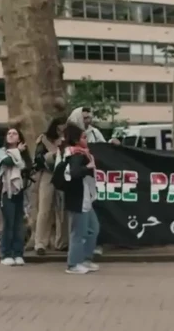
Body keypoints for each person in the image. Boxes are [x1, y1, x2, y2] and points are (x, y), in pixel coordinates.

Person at [66, 106, 118, 255]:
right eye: (84, 117)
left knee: (91, 223)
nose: (88, 120)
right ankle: (75, 257)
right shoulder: (72, 144)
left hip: (91, 183)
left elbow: (104, 148)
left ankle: (87, 252)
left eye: (89, 117)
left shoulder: (95, 132)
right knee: (78, 225)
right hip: (78, 187)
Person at [60, 122, 101, 275]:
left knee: (93, 228)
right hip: (78, 199)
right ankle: (73, 264)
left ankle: (85, 259)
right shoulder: (75, 154)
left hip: (86, 198)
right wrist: (88, 168)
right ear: (76, 139)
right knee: (78, 232)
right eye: (83, 137)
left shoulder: (82, 153)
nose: (86, 140)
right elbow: (75, 173)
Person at [0, 128, 31, 266]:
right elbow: (7, 162)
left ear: (19, 138)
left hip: (20, 191)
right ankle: (6, 254)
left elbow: (27, 167)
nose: (11, 135)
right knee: (9, 223)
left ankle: (18, 253)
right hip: (6, 190)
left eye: (14, 133)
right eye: (9, 133)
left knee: (19, 224)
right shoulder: (1, 152)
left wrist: (20, 153)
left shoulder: (23, 153)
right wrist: (17, 152)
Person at [32, 116, 68, 254]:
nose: (62, 129)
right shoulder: (44, 139)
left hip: (64, 175)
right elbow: (38, 158)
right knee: (44, 209)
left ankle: (62, 242)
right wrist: (51, 153)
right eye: (59, 127)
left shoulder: (68, 139)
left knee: (63, 210)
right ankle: (40, 243)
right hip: (48, 174)